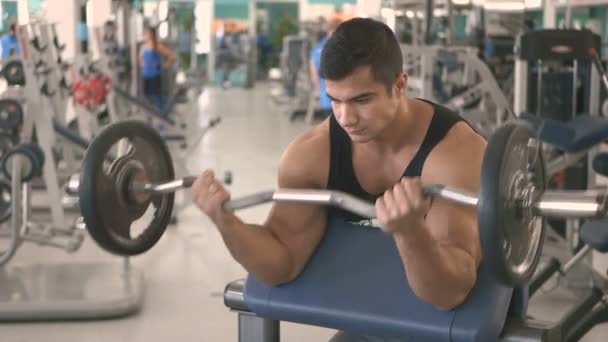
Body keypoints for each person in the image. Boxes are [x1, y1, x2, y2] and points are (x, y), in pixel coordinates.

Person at [192, 18, 486, 341]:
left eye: (362, 100)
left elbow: (450, 294)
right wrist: (226, 223)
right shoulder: (310, 156)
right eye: (335, 100)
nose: (346, 118)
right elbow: (282, 262)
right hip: (370, 319)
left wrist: (411, 232)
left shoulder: (455, 153)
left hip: (444, 328)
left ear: (400, 85)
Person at [309, 17, 342, 119]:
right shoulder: (342, 48)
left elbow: (314, 74)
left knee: (329, 129)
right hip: (342, 100)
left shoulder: (317, 48)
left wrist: (320, 90)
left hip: (326, 98)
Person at [140, 26, 176, 114]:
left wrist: (164, 65)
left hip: (155, 75)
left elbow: (172, 56)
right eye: (145, 33)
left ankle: (162, 117)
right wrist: (143, 65)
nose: (146, 35)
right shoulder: (143, 47)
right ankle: (151, 116)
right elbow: (141, 59)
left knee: (157, 97)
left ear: (152, 35)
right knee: (147, 96)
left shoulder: (158, 46)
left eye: (148, 33)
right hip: (146, 75)